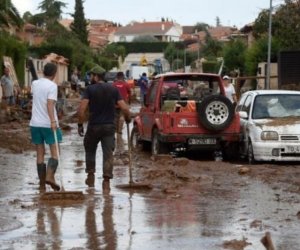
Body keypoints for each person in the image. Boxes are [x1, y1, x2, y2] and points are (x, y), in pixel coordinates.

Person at [77, 65, 131, 188]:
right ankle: (106, 181)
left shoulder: (89, 89)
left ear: (96, 77)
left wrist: (80, 124)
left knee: (90, 150)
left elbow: (81, 110)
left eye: (91, 75)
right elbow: (125, 108)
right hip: (109, 127)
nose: (90, 78)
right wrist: (127, 118)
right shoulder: (113, 90)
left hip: (94, 126)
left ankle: (90, 175)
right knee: (108, 153)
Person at [29, 62, 62, 192]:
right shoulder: (52, 86)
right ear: (54, 74)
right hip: (48, 124)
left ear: (43, 72)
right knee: (55, 152)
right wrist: (53, 121)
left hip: (35, 124)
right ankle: (50, 176)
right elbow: (49, 104)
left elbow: (36, 99)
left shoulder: (35, 84)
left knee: (40, 153)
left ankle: (42, 185)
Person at [112, 71, 131, 139]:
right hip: (123, 104)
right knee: (122, 117)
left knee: (114, 118)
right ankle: (119, 132)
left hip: (115, 104)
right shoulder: (126, 84)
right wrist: (129, 102)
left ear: (117, 77)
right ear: (123, 77)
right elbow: (130, 93)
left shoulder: (113, 84)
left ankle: (114, 132)